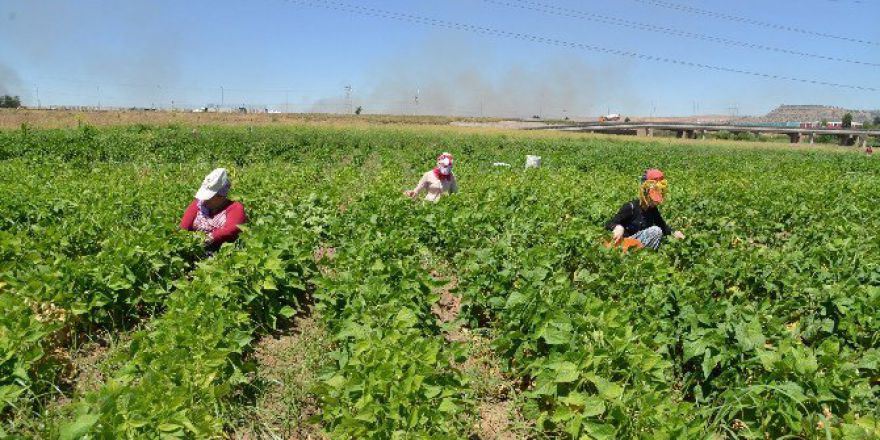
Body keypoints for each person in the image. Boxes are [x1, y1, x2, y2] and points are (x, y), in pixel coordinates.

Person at [605, 169, 685, 250]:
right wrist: (618, 227)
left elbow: (662, 226)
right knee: (655, 231)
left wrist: (674, 232)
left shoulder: (653, 209)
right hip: (624, 246)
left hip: (638, 248)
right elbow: (609, 223)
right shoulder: (630, 207)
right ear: (645, 192)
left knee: (658, 231)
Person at [180, 168, 247, 253]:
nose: (205, 200)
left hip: (222, 252)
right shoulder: (198, 203)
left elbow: (232, 229)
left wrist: (208, 239)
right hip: (194, 249)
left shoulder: (235, 208)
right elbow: (184, 227)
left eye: (209, 197)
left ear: (221, 196)